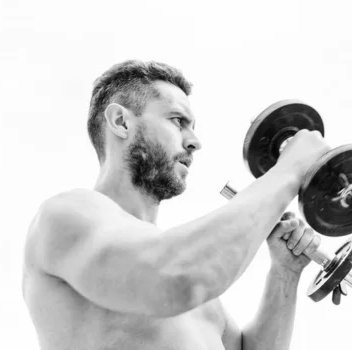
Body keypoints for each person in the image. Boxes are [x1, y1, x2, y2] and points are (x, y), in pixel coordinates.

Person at [22, 60, 331, 349]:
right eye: (178, 121)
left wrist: (284, 273)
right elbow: (173, 278)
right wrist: (288, 172)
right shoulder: (66, 215)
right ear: (121, 122)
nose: (194, 141)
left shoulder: (202, 295)